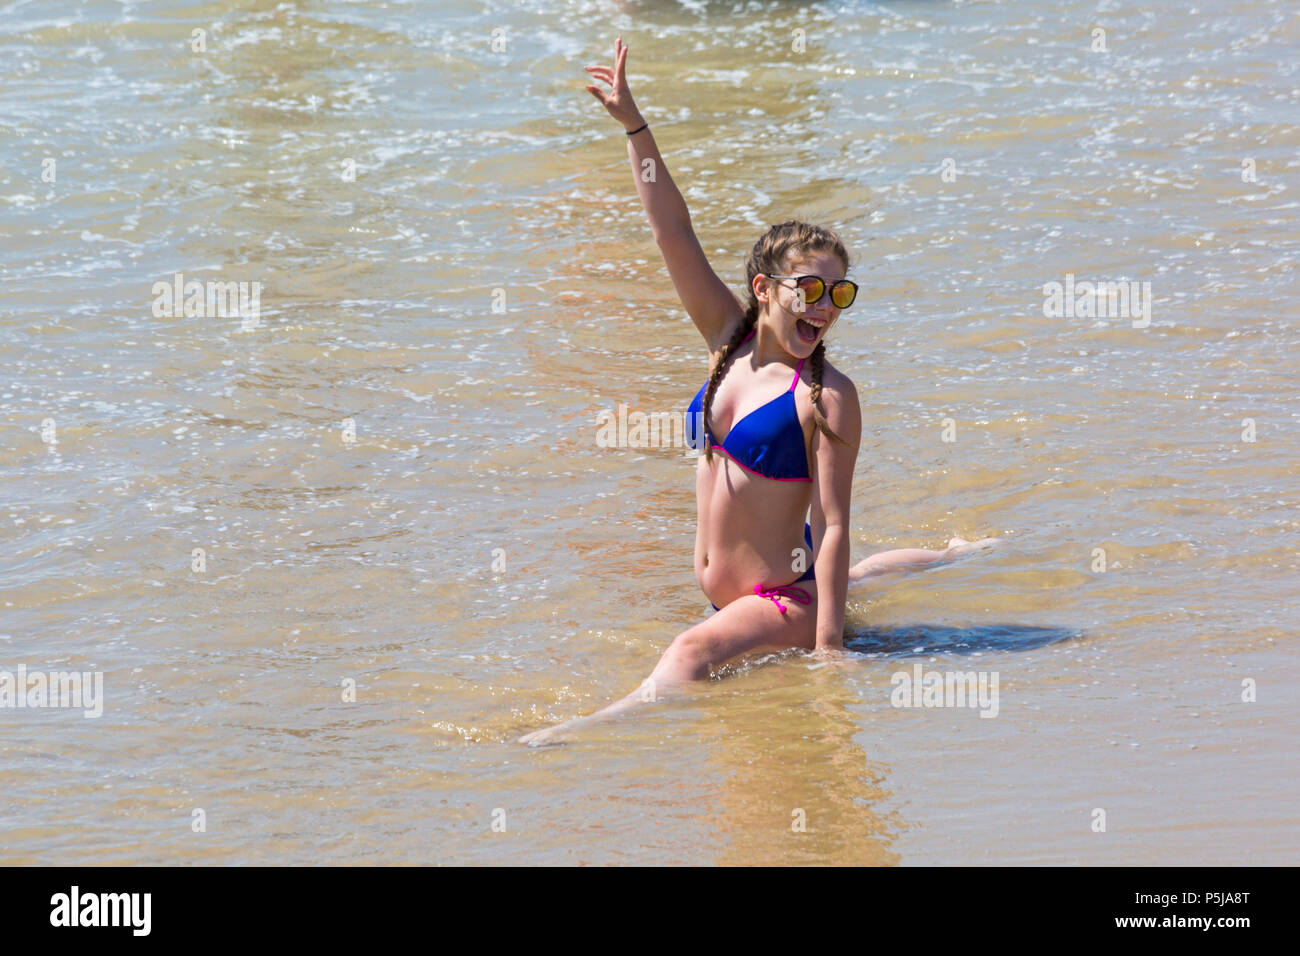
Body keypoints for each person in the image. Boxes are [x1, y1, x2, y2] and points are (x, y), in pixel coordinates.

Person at [518, 38, 995, 746]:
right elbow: (671, 230)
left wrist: (829, 650)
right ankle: (952, 553)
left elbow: (834, 525)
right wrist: (633, 127)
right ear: (764, 290)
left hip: (780, 599)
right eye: (810, 288)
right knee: (860, 576)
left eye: (839, 292)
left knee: (689, 653)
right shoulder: (727, 342)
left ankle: (591, 735)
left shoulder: (827, 396)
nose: (826, 306)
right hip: (756, 583)